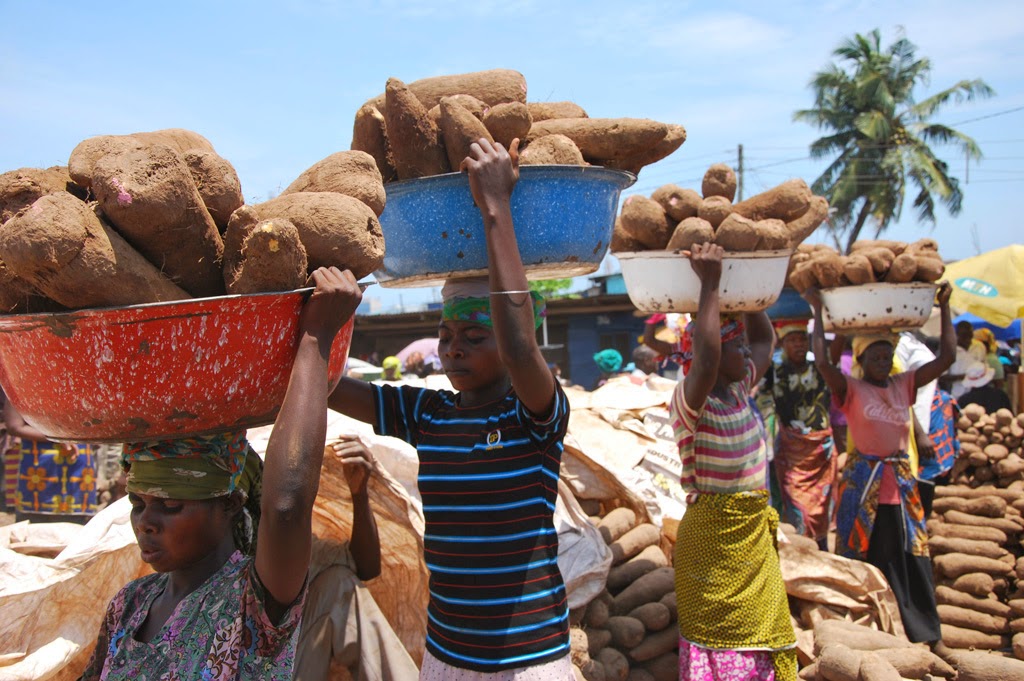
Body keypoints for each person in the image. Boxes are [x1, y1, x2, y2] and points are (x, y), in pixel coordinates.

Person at [328, 138, 573, 678]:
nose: (454, 347)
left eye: (472, 335)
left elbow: (520, 345)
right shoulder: (430, 415)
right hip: (448, 657)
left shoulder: (534, 416)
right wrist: (323, 322)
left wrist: (495, 205)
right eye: (446, 333)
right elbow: (332, 389)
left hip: (529, 661)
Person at [79, 267, 364, 680]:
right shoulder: (131, 603)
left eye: (170, 506)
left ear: (230, 503)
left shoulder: (254, 601)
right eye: (138, 504)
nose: (146, 523)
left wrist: (315, 338)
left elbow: (287, 508)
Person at [804, 281, 955, 647]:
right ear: (862, 361)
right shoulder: (850, 390)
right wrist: (818, 311)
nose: (883, 362)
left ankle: (922, 632)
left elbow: (947, 357)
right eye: (875, 357)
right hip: (863, 483)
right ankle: (863, 632)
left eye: (887, 356)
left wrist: (945, 306)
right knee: (862, 556)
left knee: (911, 556)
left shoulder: (904, 384)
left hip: (901, 486)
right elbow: (822, 361)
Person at [670, 243, 796, 681]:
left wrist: (748, 290)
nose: (747, 353)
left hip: (753, 540)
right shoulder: (692, 403)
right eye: (735, 346)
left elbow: (763, 339)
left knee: (761, 640)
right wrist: (709, 284)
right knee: (722, 642)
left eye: (742, 346)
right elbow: (704, 361)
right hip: (713, 545)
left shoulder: (740, 390)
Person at [764, 319, 835, 549]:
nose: (799, 345)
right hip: (792, 452)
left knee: (822, 507)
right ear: (782, 344)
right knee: (796, 506)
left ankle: (821, 552)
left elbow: (831, 351)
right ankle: (800, 550)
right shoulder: (774, 372)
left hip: (820, 451)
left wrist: (820, 312)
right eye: (792, 340)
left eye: (802, 339)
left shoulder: (821, 368)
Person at [4, 400, 98, 523]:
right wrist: (60, 437)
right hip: (42, 471)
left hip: (67, 470)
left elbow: (15, 426)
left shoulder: (20, 382)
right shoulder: (20, 382)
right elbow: (15, 427)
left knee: (72, 530)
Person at [946, 320, 987, 399]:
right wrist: (966, 377)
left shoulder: (979, 347)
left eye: (970, 335)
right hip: (957, 396)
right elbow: (942, 377)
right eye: (964, 336)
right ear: (957, 334)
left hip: (978, 394)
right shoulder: (949, 349)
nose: (968, 339)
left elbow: (985, 368)